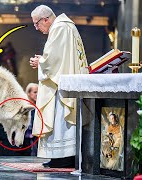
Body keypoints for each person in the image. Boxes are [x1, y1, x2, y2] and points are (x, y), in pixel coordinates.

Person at [29, 5, 88, 168]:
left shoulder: (60, 28)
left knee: (60, 120)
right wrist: (44, 60)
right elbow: (59, 58)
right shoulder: (68, 26)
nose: (36, 27)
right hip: (67, 81)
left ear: (46, 19)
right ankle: (59, 158)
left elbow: (52, 62)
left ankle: (62, 157)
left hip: (62, 88)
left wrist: (39, 62)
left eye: (37, 23)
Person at [24, 83, 38, 156]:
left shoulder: (40, 107)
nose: (37, 94)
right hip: (25, 138)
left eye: (38, 92)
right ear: (28, 93)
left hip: (36, 137)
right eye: (35, 92)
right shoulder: (24, 106)